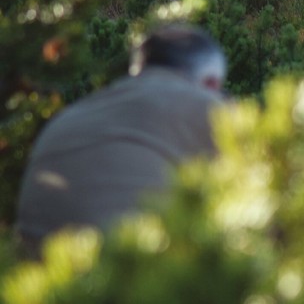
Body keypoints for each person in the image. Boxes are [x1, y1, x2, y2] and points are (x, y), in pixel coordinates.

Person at [15, 23, 228, 257]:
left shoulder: (72, 114)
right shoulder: (209, 107)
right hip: (138, 276)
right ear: (211, 84)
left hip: (43, 280)